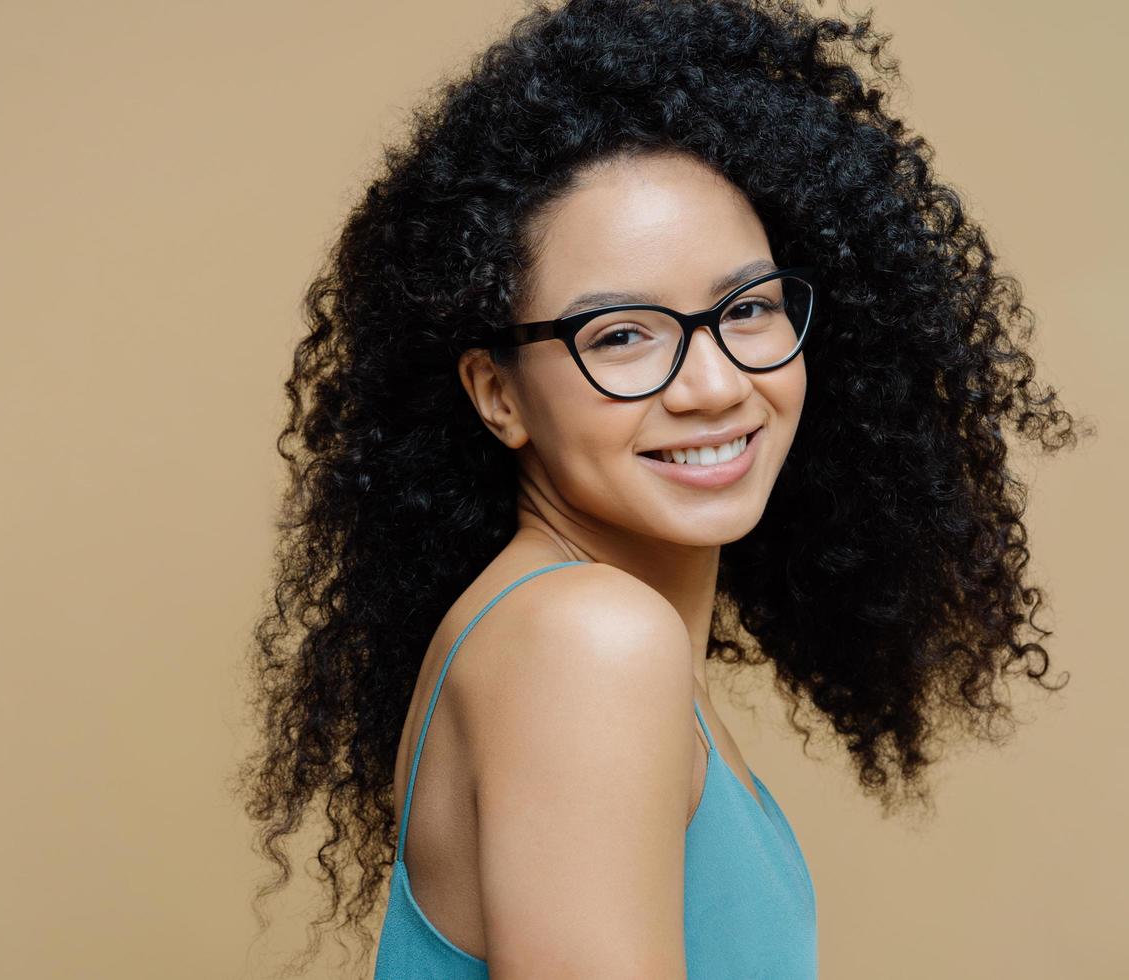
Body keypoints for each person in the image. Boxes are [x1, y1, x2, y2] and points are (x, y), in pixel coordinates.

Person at [235, 1, 1084, 976]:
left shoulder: (585, 631)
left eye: (749, 307)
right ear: (498, 392)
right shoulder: (588, 642)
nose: (716, 384)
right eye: (622, 334)